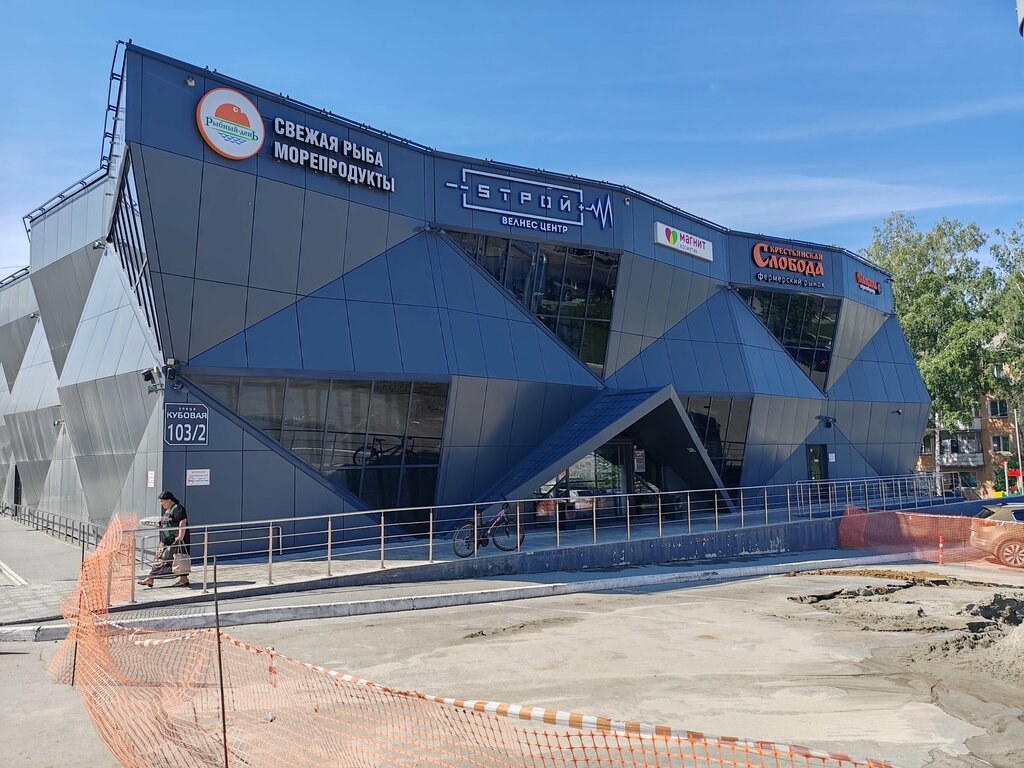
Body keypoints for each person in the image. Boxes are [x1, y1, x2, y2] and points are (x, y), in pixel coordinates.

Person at [138, 491, 190, 588]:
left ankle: (151, 578)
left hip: (175, 541)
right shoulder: (169, 509)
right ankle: (151, 579)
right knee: (167, 559)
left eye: (162, 501)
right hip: (166, 541)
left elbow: (182, 521)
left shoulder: (178, 508)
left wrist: (180, 536)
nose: (161, 504)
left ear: (169, 500)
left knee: (174, 559)